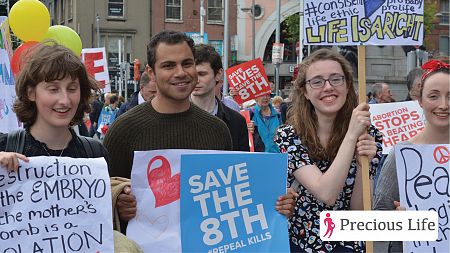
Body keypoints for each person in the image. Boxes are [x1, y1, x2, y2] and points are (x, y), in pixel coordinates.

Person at [103, 30, 297, 229]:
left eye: (187, 63)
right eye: (168, 65)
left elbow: (237, 199)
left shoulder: (218, 130)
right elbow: (101, 201)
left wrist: (277, 200)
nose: (180, 72)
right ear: (151, 73)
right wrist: (118, 204)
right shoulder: (124, 130)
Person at [0, 43, 142, 252]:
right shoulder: (6, 146)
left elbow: (99, 224)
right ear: (31, 93)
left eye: (72, 89)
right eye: (53, 89)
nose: (64, 100)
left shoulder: (94, 154)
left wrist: (121, 205)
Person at [274, 48, 382, 253]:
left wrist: (362, 165)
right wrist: (351, 137)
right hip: (302, 245)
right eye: (317, 81)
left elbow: (360, 210)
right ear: (305, 92)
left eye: (336, 79)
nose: (328, 87)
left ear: (348, 85)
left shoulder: (368, 134)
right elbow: (326, 193)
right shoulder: (289, 136)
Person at [373, 60, 449, 253]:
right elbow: (379, 219)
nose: (443, 105)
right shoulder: (402, 155)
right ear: (420, 101)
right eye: (434, 96)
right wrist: (399, 223)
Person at [192, 44, 249, 151]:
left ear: (218, 74)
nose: (196, 80)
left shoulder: (237, 122)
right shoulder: (173, 118)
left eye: (202, 74)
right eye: (192, 74)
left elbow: (242, 164)